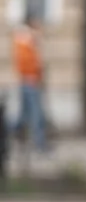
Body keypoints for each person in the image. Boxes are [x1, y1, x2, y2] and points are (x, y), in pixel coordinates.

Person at [12, 13, 49, 152]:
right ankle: (40, 143)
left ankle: (14, 136)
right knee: (36, 114)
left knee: (24, 115)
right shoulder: (25, 39)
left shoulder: (27, 39)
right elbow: (28, 62)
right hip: (30, 80)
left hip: (29, 80)